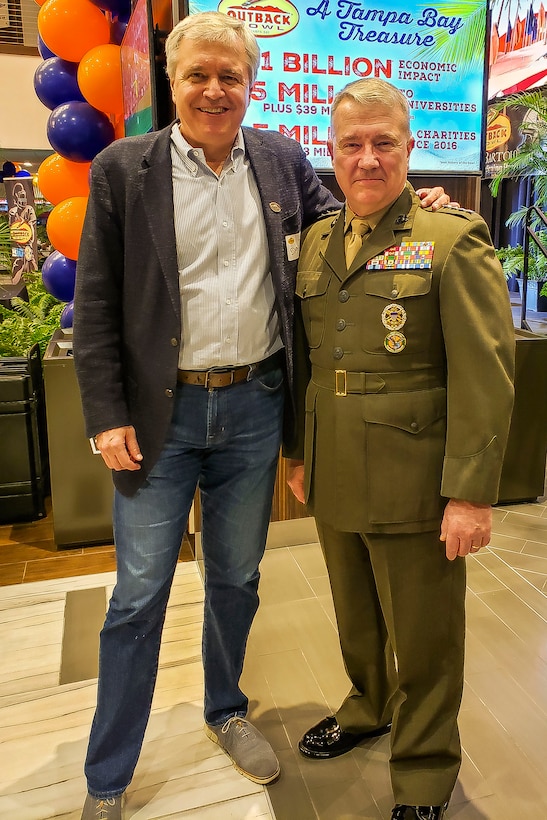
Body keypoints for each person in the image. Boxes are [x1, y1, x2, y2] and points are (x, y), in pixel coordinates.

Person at [73, 12, 451, 819]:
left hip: (254, 407)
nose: (214, 90)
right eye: (198, 75)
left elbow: (348, 224)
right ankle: (108, 775)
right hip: (156, 420)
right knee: (138, 595)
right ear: (172, 84)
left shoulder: (277, 160)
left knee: (238, 579)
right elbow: (97, 303)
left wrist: (414, 204)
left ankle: (224, 710)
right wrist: (105, 412)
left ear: (251, 86)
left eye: (230, 77)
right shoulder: (121, 169)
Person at [286, 78, 515, 820]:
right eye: (351, 143)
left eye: (383, 142)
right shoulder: (317, 240)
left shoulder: (452, 237)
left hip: (415, 474)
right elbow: (307, 360)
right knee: (355, 615)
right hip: (333, 463)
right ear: (331, 152)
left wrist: (471, 491)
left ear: (409, 148)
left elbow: (485, 373)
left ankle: (422, 770)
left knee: (423, 636)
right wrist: (298, 454)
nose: (367, 158)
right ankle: (365, 708)